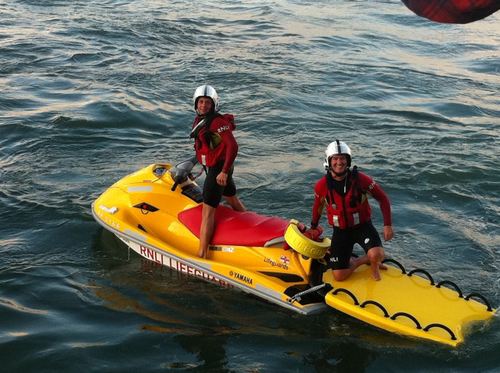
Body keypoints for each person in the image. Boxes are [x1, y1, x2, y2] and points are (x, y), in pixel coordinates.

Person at [307, 140, 393, 281]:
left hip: (362, 227)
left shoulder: (362, 180)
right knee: (339, 276)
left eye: (343, 158)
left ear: (348, 161)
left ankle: (374, 263)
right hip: (341, 232)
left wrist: (387, 225)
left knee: (377, 253)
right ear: (328, 161)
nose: (339, 162)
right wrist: (313, 227)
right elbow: (317, 207)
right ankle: (358, 261)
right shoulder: (321, 186)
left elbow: (383, 198)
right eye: (335, 159)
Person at [190, 84, 245, 258]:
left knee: (208, 213)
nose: (203, 105)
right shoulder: (201, 120)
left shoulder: (217, 122)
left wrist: (224, 172)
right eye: (200, 102)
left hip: (220, 170)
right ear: (196, 103)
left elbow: (232, 146)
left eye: (207, 102)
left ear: (213, 104)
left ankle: (202, 253)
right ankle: (250, 224)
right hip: (218, 167)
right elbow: (207, 149)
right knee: (232, 200)